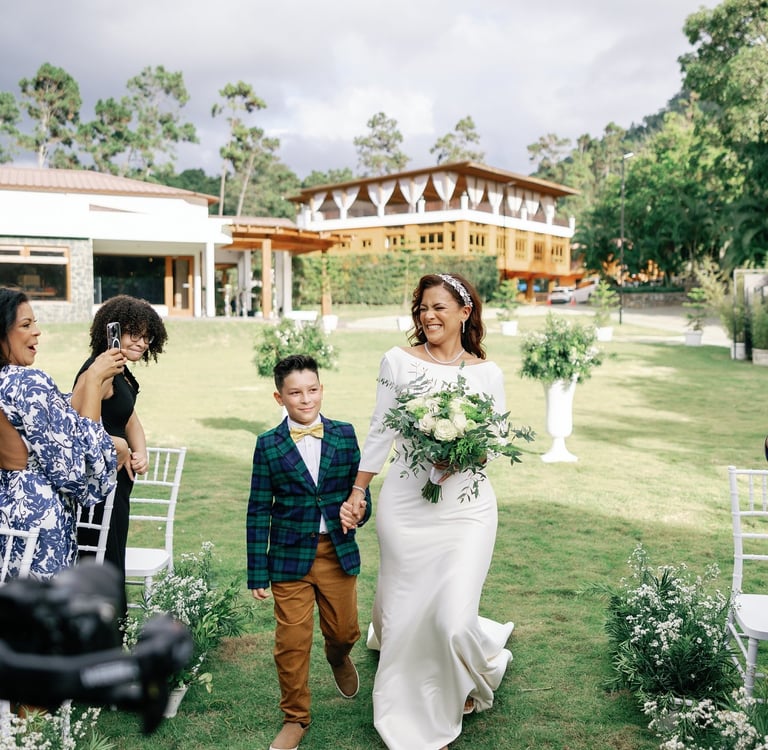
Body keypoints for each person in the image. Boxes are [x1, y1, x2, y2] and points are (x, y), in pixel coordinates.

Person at [340, 273, 514, 750]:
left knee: (454, 617)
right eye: (422, 308)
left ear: (465, 312)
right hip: (406, 503)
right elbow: (380, 431)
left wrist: (462, 452)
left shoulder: (487, 373)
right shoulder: (397, 362)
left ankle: (465, 678)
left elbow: (496, 443)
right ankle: (411, 686)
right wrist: (358, 491)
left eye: (439, 307)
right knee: (407, 605)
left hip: (467, 508)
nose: (429, 316)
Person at [246, 354, 371, 750]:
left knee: (345, 629)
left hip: (337, 553)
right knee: (292, 641)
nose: (306, 399)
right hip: (288, 559)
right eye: (295, 393)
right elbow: (257, 509)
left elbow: (361, 493)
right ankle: (295, 717)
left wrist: (360, 511)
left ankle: (338, 656)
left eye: (312, 390)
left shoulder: (345, 434)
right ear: (279, 397)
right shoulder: (268, 445)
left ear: (322, 390)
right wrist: (256, 571)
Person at [0, 287, 123, 579]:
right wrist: (93, 381)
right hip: (37, 521)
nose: (37, 332)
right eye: (26, 325)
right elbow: (75, 466)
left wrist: (89, 383)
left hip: (7, 513)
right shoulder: (27, 383)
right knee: (41, 615)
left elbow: (54, 418)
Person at [74, 295, 168, 603]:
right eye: (134, 333)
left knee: (114, 556)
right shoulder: (99, 371)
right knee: (101, 560)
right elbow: (75, 424)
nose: (142, 342)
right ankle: (103, 636)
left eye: (147, 336)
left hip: (118, 482)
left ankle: (114, 633)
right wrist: (118, 446)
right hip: (98, 483)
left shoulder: (122, 371)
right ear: (111, 330)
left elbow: (131, 421)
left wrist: (141, 452)